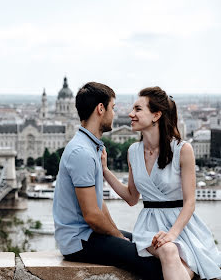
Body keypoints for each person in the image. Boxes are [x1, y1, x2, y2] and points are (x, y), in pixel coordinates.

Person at [102, 87, 221, 280]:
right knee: (168, 251)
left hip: (183, 226)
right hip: (149, 226)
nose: (130, 114)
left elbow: (190, 202)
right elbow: (132, 197)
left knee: (177, 259)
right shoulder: (133, 151)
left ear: (156, 115)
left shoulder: (183, 150)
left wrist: (172, 234)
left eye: (138, 109)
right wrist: (106, 172)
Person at [53, 82, 164, 280]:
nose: (114, 114)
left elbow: (98, 204)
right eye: (112, 108)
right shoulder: (82, 152)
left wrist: (117, 235)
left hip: (85, 236)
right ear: (100, 109)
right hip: (79, 241)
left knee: (152, 246)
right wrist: (117, 237)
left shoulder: (90, 147)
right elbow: (92, 216)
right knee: (151, 262)